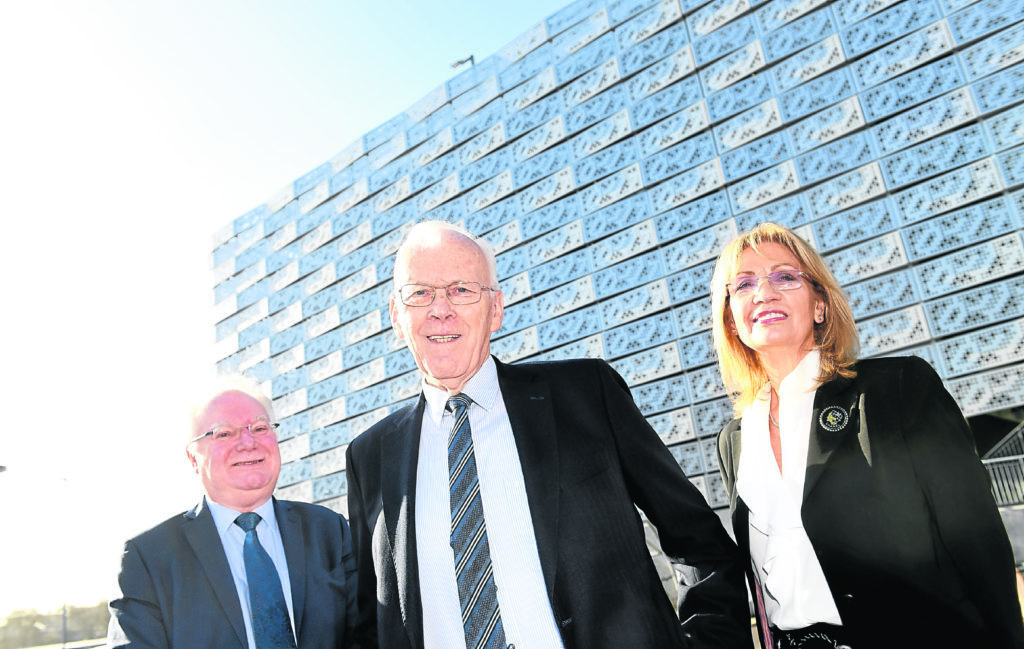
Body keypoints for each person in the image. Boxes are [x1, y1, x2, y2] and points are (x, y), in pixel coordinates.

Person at [345, 220, 752, 649]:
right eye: (420, 292)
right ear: (396, 314)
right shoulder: (370, 457)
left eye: (462, 289)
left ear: (496, 309)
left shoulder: (586, 396)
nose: (440, 308)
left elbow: (699, 542)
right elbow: (373, 622)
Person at [710, 222, 1024, 648]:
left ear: (820, 305)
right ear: (731, 319)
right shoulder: (734, 441)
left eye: (785, 276)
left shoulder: (897, 388)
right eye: (743, 284)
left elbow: (976, 541)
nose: (764, 292)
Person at [107, 379, 358, 649]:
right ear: (193, 458)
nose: (248, 442)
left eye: (260, 428)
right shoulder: (149, 558)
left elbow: (366, 633)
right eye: (224, 433)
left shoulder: (328, 529)